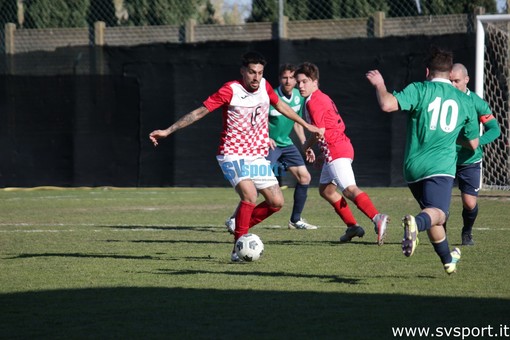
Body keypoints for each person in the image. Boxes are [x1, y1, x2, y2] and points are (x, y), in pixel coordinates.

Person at [149, 51, 322, 262]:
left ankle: (238, 225)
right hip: (232, 154)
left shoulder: (266, 87)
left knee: (276, 202)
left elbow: (281, 106)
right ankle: (237, 250)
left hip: (257, 156)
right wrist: (168, 130)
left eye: (259, 72)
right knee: (249, 196)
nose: (256, 77)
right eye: (251, 72)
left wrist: (305, 124)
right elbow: (199, 112)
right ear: (243, 72)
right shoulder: (230, 90)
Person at [366, 47, 480, 274]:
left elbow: (387, 104)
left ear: (427, 70)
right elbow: (474, 143)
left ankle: (448, 260)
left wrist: (380, 84)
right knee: (439, 213)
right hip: (441, 167)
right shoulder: (464, 100)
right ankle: (415, 225)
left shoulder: (419, 89)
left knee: (432, 214)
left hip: (413, 168)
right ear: (450, 75)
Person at [295, 62, 389, 246]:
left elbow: (319, 131)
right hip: (336, 148)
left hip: (336, 149)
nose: (300, 86)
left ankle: (377, 217)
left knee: (348, 189)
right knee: (327, 190)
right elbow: (330, 127)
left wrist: (306, 146)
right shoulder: (319, 98)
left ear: (315, 81)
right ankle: (352, 226)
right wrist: (322, 154)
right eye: (298, 82)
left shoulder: (314, 101)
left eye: (304, 81)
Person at [225, 63, 319, 233]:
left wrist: (305, 144)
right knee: (254, 186)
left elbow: (296, 123)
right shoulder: (270, 95)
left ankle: (295, 219)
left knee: (305, 177)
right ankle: (234, 219)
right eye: (285, 77)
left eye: (292, 77)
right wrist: (265, 136)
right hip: (269, 145)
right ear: (279, 79)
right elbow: (255, 117)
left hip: (286, 144)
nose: (289, 81)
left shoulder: (298, 96)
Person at [450, 63, 501, 246]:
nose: (453, 84)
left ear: (466, 80)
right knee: (439, 202)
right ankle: (440, 233)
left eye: (457, 81)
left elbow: (495, 129)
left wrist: (477, 142)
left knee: (470, 204)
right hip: (446, 157)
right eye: (450, 81)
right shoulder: (445, 99)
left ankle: (467, 232)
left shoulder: (476, 102)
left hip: (469, 160)